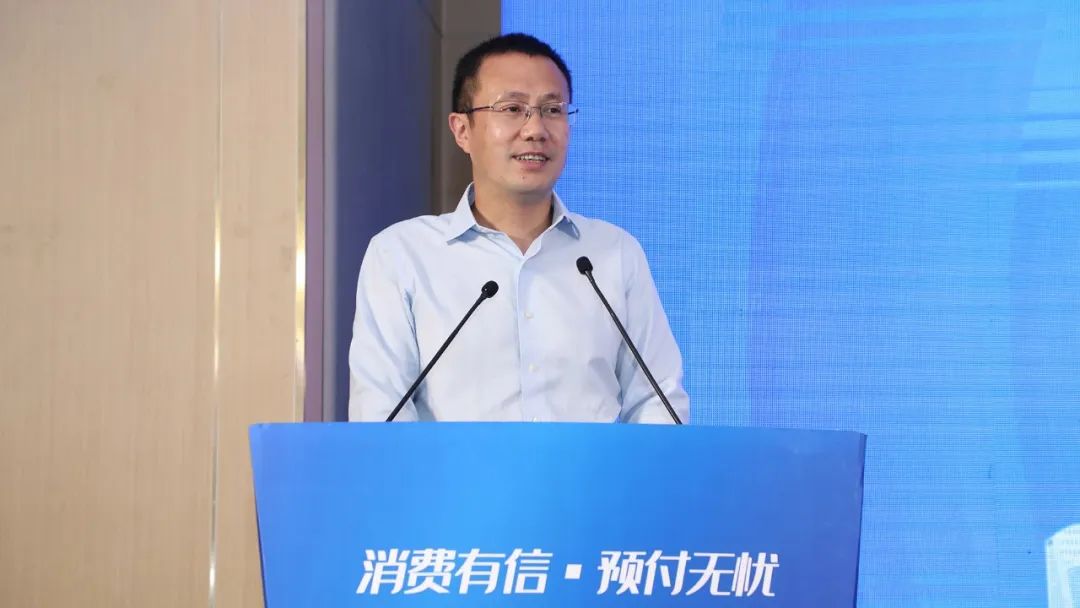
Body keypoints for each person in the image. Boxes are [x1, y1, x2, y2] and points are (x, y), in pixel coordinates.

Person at [348, 33, 689, 423]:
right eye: (512, 108)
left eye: (553, 110)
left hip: (592, 468)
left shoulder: (614, 254)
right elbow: (380, 412)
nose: (535, 129)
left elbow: (657, 401)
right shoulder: (401, 254)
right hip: (453, 468)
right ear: (462, 130)